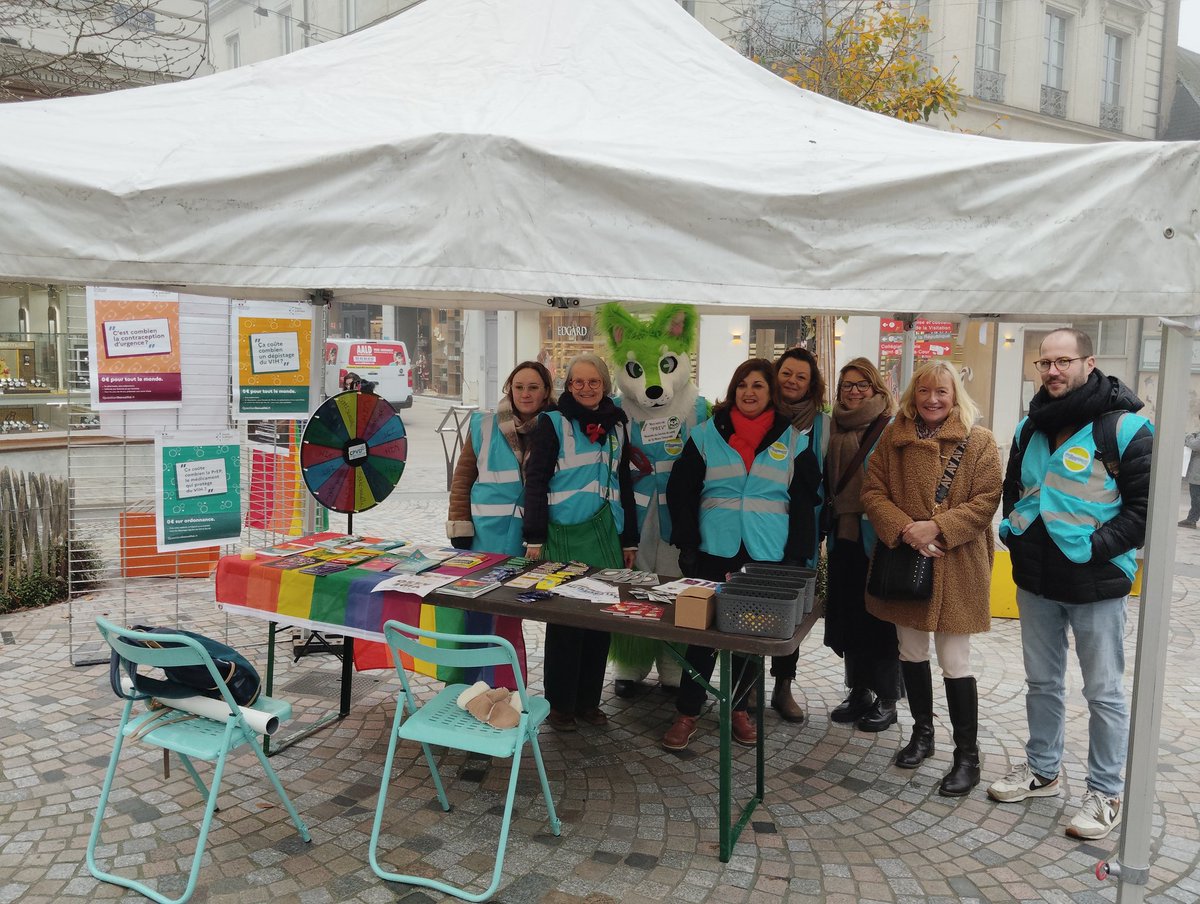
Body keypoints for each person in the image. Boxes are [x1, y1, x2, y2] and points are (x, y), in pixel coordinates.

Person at [987, 328, 1152, 840]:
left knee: (1103, 691)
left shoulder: (1126, 430)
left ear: (1089, 362)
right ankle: (1043, 770)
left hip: (1097, 583)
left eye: (1063, 361)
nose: (1053, 371)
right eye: (1045, 363)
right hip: (1037, 579)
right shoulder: (1029, 427)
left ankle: (1105, 792)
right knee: (1042, 683)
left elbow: (1145, 513)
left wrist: (1093, 550)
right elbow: (1014, 490)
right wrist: (1012, 528)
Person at [661, 359, 822, 750]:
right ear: (733, 390)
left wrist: (797, 555)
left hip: (767, 552)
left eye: (759, 386)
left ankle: (739, 710)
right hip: (714, 549)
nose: (749, 392)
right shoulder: (704, 436)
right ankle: (687, 712)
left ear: (771, 394)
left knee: (751, 635)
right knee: (703, 633)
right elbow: (680, 492)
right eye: (743, 385)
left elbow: (805, 503)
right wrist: (687, 543)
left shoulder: (794, 440)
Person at [861, 360, 1001, 797]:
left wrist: (937, 528)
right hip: (907, 561)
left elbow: (987, 499)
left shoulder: (979, 441)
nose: (933, 399)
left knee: (955, 661)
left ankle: (967, 757)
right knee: (911, 650)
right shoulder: (893, 438)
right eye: (924, 391)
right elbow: (872, 490)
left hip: (958, 566)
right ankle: (922, 735)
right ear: (912, 395)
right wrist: (908, 529)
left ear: (955, 395)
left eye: (942, 391)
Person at [523, 353, 639, 731]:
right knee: (566, 623)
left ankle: (589, 701)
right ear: (567, 386)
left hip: (606, 532)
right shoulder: (553, 424)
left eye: (593, 382)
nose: (586, 388)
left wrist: (630, 540)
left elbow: (623, 483)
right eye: (578, 382)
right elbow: (536, 481)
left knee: (601, 619)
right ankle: (560, 704)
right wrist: (535, 537)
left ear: (605, 385)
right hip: (564, 534)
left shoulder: (619, 425)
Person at [822, 357, 900, 732]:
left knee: (881, 618)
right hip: (844, 536)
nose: (853, 391)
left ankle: (888, 696)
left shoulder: (891, 428)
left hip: (878, 540)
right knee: (850, 614)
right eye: (847, 385)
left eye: (861, 385)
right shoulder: (832, 426)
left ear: (876, 389)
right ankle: (859, 690)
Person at [755, 346, 829, 723]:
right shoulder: (757, 415)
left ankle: (783, 686)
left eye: (801, 376)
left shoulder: (821, 425)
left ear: (811, 384)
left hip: (798, 532)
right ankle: (746, 690)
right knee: (752, 606)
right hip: (755, 530)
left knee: (789, 613)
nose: (793, 382)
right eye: (786, 373)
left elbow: (826, 480)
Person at [446, 361, 555, 554]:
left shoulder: (557, 427)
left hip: (538, 536)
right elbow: (462, 480)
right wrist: (459, 526)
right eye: (519, 387)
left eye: (533, 388)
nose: (525, 394)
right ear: (510, 389)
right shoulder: (484, 426)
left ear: (546, 391)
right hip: (488, 534)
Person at [1179, 430, 1200, 528]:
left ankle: (1192, 519)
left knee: (1196, 497)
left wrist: (1188, 437)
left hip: (1198, 472)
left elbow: (1196, 445)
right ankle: (1192, 518)